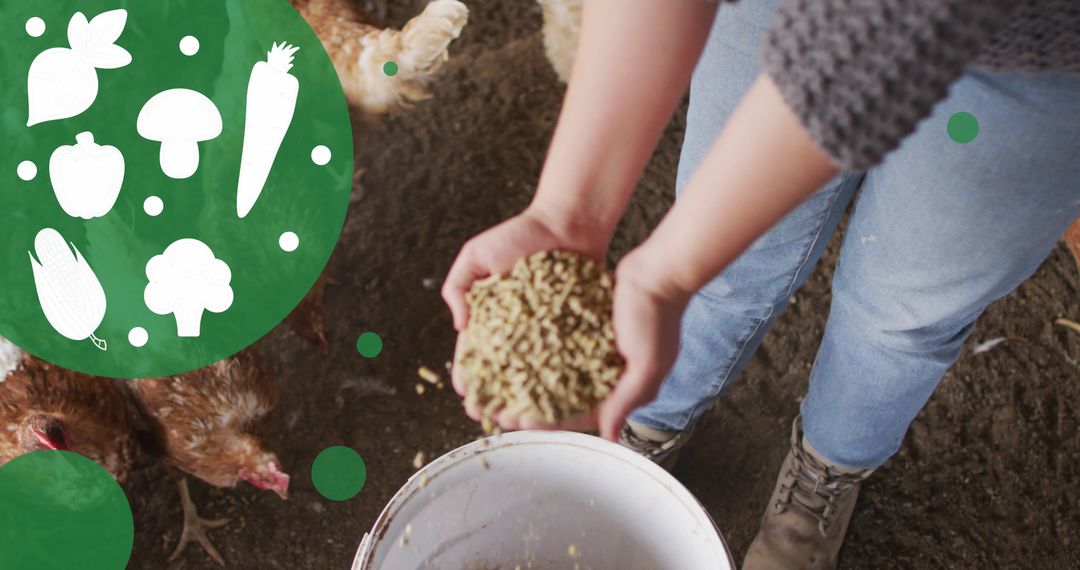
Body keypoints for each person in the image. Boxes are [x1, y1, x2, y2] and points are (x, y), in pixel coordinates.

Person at [442, 0, 1080, 567]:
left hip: (1033, 59)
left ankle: (827, 470)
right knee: (723, 258)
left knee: (903, 309)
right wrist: (566, 213)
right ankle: (650, 424)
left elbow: (890, 22)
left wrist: (663, 273)